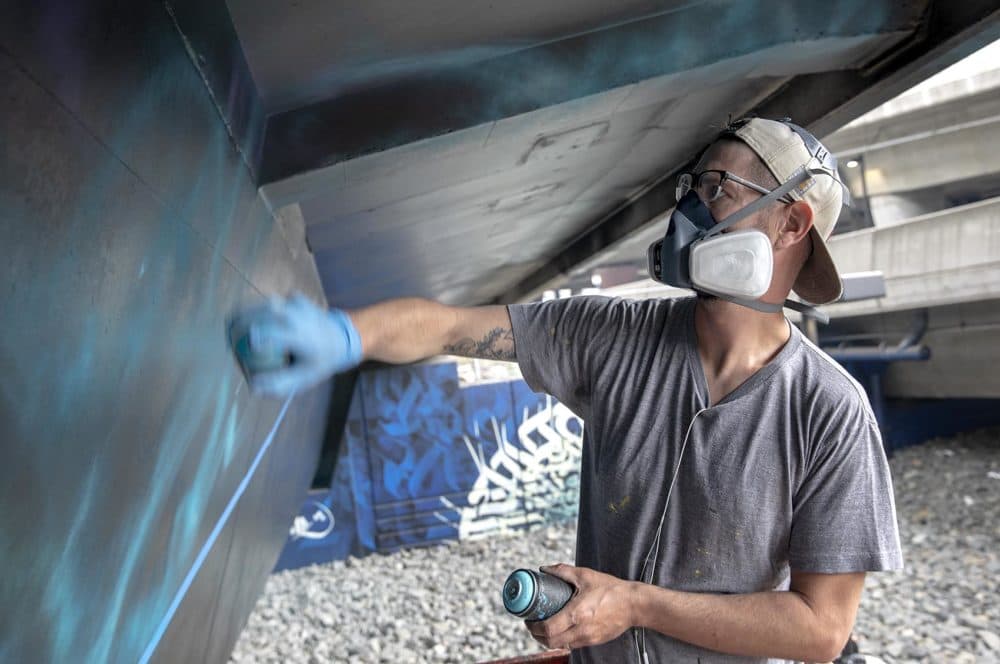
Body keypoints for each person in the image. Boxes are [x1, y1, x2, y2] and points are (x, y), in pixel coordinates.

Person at [236, 118, 903, 663]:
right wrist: (342, 337)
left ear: (789, 227)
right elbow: (445, 326)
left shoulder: (829, 414)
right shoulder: (610, 336)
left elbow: (819, 631)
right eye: (691, 186)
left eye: (717, 187)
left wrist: (634, 605)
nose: (690, 209)